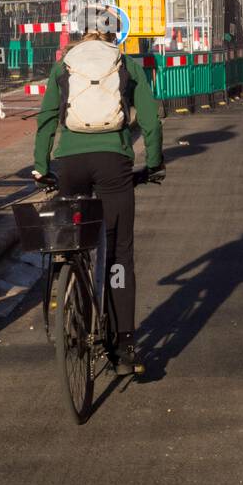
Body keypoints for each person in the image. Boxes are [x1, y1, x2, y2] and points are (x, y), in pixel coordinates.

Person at [33, 30, 165, 375]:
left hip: (70, 163)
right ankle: (124, 347)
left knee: (72, 242)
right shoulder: (126, 64)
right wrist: (153, 163)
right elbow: (150, 116)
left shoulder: (64, 65)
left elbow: (47, 117)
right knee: (119, 253)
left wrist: (41, 166)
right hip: (113, 162)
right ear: (110, 42)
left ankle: (74, 307)